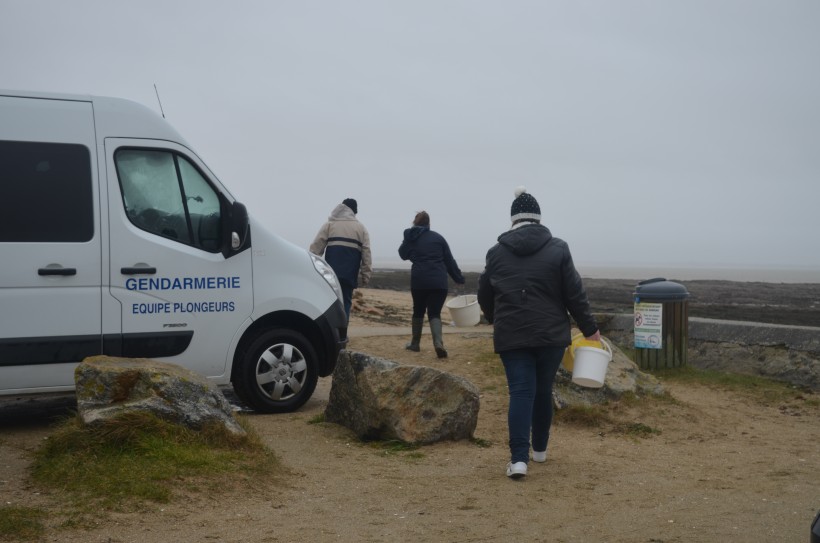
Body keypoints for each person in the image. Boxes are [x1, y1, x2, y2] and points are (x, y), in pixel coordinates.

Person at [477, 187, 601, 480]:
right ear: (538, 218)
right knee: (543, 391)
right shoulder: (558, 248)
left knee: (521, 392)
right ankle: (540, 451)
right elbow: (575, 293)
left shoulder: (495, 253)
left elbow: (484, 294)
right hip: (551, 336)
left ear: (513, 220)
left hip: (512, 335)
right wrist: (590, 329)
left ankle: (518, 460)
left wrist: (497, 318)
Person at [398, 211, 465, 358]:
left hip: (419, 280)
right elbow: (449, 261)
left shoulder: (411, 237)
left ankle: (415, 344)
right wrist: (458, 278)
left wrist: (409, 244)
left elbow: (402, 254)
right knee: (434, 313)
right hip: (438, 281)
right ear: (429, 224)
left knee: (418, 310)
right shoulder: (438, 238)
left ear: (415, 223)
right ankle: (438, 343)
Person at [310, 198, 372, 319]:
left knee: (329, 302)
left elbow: (315, 249)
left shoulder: (329, 225)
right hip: (349, 274)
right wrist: (366, 276)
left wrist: (311, 268)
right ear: (354, 211)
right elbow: (366, 254)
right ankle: (343, 333)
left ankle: (330, 333)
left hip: (330, 274)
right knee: (346, 302)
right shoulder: (361, 229)